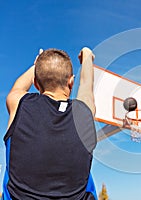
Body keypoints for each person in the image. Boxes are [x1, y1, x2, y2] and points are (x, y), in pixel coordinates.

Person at [2, 47, 98, 199]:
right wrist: (87, 57)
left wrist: (37, 65)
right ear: (71, 82)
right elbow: (86, 85)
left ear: (35, 82)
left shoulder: (19, 104)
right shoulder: (83, 112)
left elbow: (18, 87)